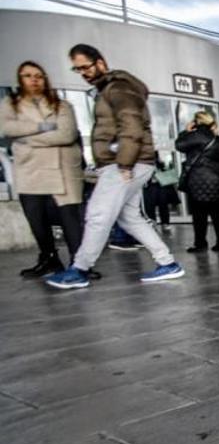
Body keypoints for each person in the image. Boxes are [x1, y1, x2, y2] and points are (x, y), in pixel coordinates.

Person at [45, 44, 182, 288]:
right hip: (130, 163)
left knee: (98, 215)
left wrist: (125, 163)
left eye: (85, 67)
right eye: (77, 70)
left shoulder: (118, 87)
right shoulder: (111, 88)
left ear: (100, 62)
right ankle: (167, 263)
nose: (83, 73)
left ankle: (79, 270)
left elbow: (131, 125)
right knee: (130, 218)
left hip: (126, 163)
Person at [0, 60, 85, 278]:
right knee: (36, 219)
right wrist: (42, 127)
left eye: (39, 75)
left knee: (70, 220)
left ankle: (80, 264)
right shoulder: (10, 104)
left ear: (45, 78)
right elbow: (6, 128)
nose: (34, 79)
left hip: (63, 169)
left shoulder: (62, 105)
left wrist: (26, 139)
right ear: (20, 79)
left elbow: (67, 134)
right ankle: (48, 259)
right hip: (31, 169)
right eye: (27, 75)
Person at [176, 110, 219, 252]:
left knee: (199, 215)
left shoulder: (195, 136)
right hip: (218, 182)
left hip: (198, 181)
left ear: (196, 122)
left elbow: (179, 145)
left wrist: (185, 132)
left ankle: (200, 244)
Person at [143, 152, 180, 234]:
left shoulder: (160, 164)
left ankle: (165, 224)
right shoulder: (143, 165)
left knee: (163, 206)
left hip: (161, 187)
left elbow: (166, 172)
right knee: (149, 207)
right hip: (150, 187)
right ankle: (153, 224)